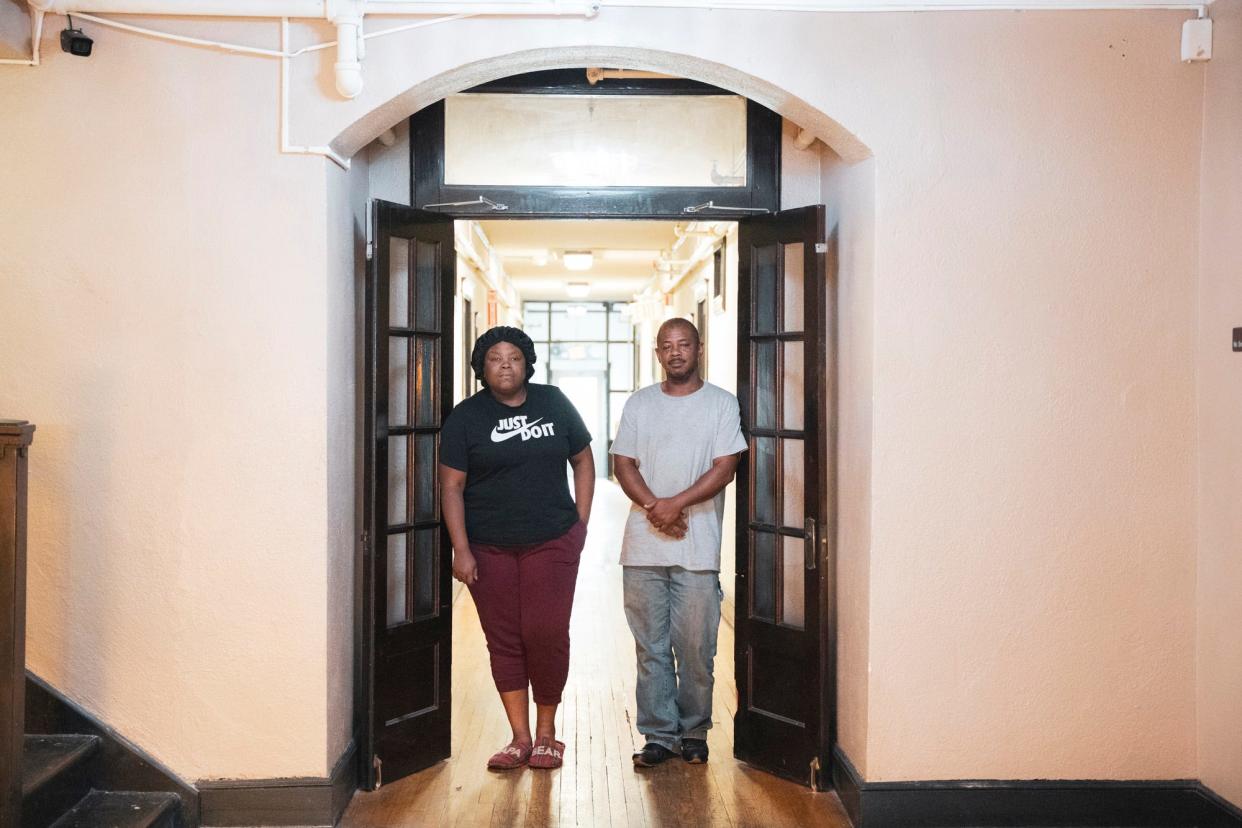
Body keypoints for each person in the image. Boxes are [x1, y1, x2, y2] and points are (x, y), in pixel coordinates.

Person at [439, 326, 595, 771]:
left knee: (544, 633)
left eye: (514, 357)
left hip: (552, 538)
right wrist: (461, 549)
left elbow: (583, 458)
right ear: (481, 367)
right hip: (488, 546)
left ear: (527, 363)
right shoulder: (466, 417)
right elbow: (451, 487)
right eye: (494, 358)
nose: (505, 364)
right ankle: (519, 738)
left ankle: (548, 735)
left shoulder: (554, 402)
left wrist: (580, 523)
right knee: (504, 639)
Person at [610, 317, 747, 768]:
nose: (675, 352)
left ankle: (694, 730)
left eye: (683, 344)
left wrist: (676, 505)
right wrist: (656, 506)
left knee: (695, 647)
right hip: (643, 550)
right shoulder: (640, 404)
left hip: (697, 549)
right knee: (650, 647)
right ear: (657, 353)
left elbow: (724, 467)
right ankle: (658, 735)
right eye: (666, 346)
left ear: (698, 348)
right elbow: (623, 463)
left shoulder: (721, 405)